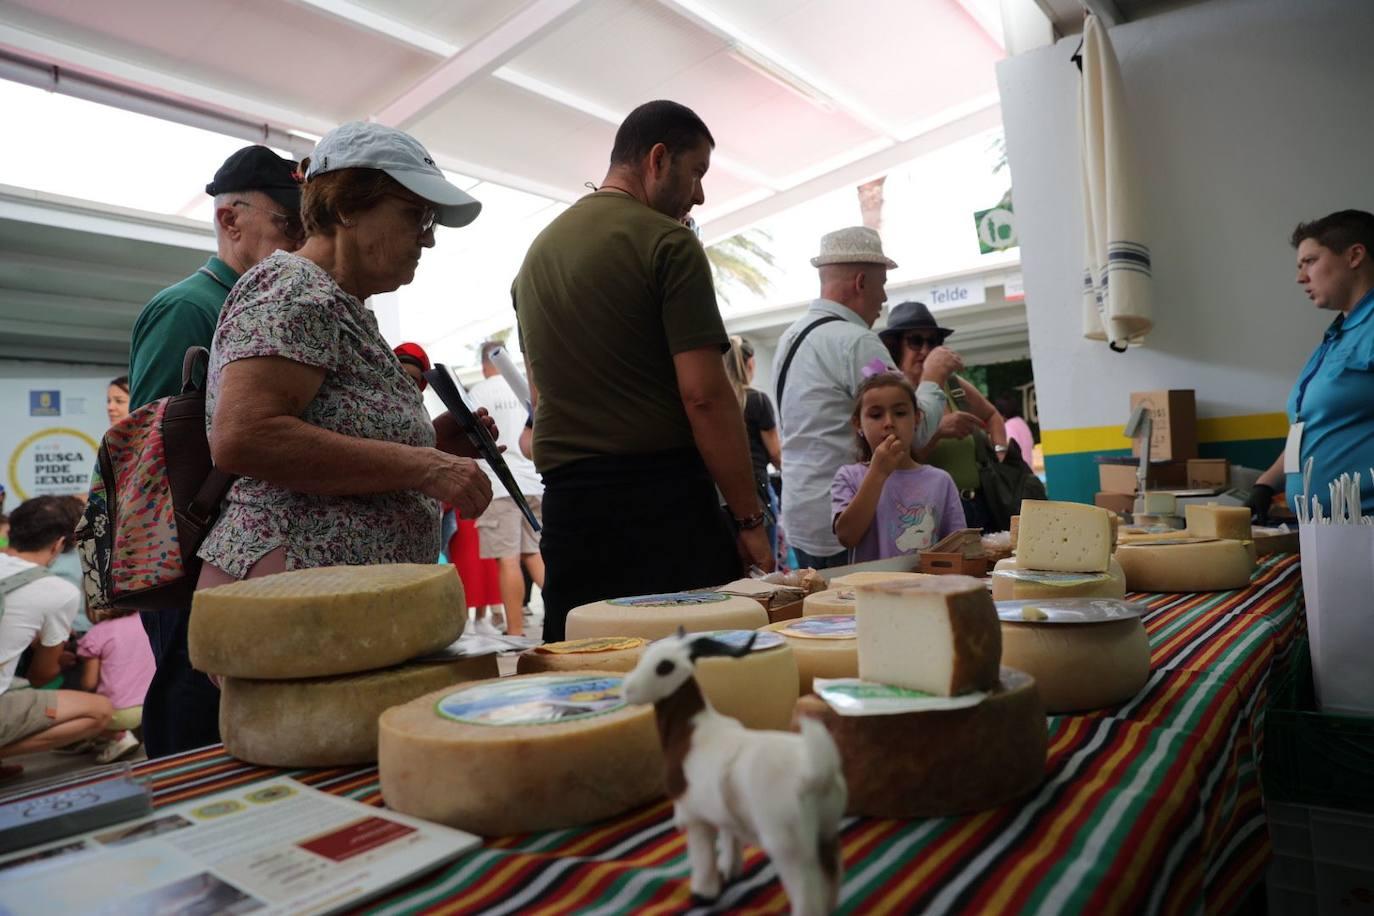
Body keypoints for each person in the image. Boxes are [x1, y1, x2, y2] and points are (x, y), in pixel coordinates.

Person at [513, 100, 769, 642]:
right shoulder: (668, 242)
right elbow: (704, 396)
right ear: (658, 159)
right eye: (696, 171)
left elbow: (543, 399)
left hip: (571, 513)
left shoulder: (534, 260)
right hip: (663, 505)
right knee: (696, 682)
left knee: (587, 676)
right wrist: (749, 521)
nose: (699, 193)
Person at [202, 120, 494, 587]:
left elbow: (329, 438)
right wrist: (424, 465)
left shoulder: (335, 301)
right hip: (295, 601)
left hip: (328, 601)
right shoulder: (295, 289)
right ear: (344, 206)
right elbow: (244, 436)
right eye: (417, 215)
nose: (429, 237)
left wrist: (429, 443)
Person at [127, 144, 304, 758]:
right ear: (232, 221)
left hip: (241, 554)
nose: (304, 238)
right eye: (289, 223)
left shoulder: (269, 303)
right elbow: (152, 451)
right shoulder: (189, 308)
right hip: (190, 555)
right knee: (195, 712)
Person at [774, 228, 948, 569]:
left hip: (802, 516)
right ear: (860, 283)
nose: (884, 298)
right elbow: (910, 431)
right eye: (882, 283)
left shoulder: (790, 338)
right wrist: (932, 379)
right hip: (850, 518)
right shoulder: (855, 342)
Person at [1250, 209, 1374, 521]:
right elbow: (1307, 428)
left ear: (1354, 256)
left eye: (1310, 261)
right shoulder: (1336, 336)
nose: (1300, 276)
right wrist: (1266, 484)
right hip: (1326, 530)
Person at [0, 497, 113, 774]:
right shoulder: (58, 592)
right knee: (99, 711)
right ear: (59, 544)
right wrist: (55, 657)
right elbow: (41, 676)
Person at [879, 301, 1010, 529]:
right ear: (895, 346)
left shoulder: (952, 384)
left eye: (933, 342)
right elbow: (897, 460)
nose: (925, 350)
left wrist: (1001, 456)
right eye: (916, 341)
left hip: (979, 505)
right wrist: (938, 431)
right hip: (928, 513)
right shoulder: (891, 395)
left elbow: (992, 417)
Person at [832, 373, 965, 562]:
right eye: (876, 415)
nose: (889, 423)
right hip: (871, 590)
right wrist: (878, 473)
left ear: (917, 418)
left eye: (900, 413)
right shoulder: (849, 476)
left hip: (928, 589)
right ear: (858, 424)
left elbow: (958, 548)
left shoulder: (940, 481)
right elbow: (847, 536)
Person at [469, 341, 544, 638]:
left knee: (509, 559)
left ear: (483, 364)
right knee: (534, 554)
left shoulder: (480, 392)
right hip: (533, 480)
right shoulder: (524, 385)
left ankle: (515, 631)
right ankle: (565, 614)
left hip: (502, 485)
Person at [724, 336, 782, 561]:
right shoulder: (757, 400)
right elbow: (776, 454)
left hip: (725, 494)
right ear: (750, 364)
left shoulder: (723, 403)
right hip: (757, 493)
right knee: (764, 565)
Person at [77, 606, 155, 763]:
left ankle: (117, 737)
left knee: (74, 711)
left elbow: (89, 683)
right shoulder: (144, 620)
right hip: (152, 705)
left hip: (119, 714)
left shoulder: (97, 634)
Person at [995, 392, 1035, 465]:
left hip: (1018, 472)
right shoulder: (1022, 423)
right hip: (1028, 471)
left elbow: (1009, 451)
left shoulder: (1008, 427)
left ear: (1001, 413)